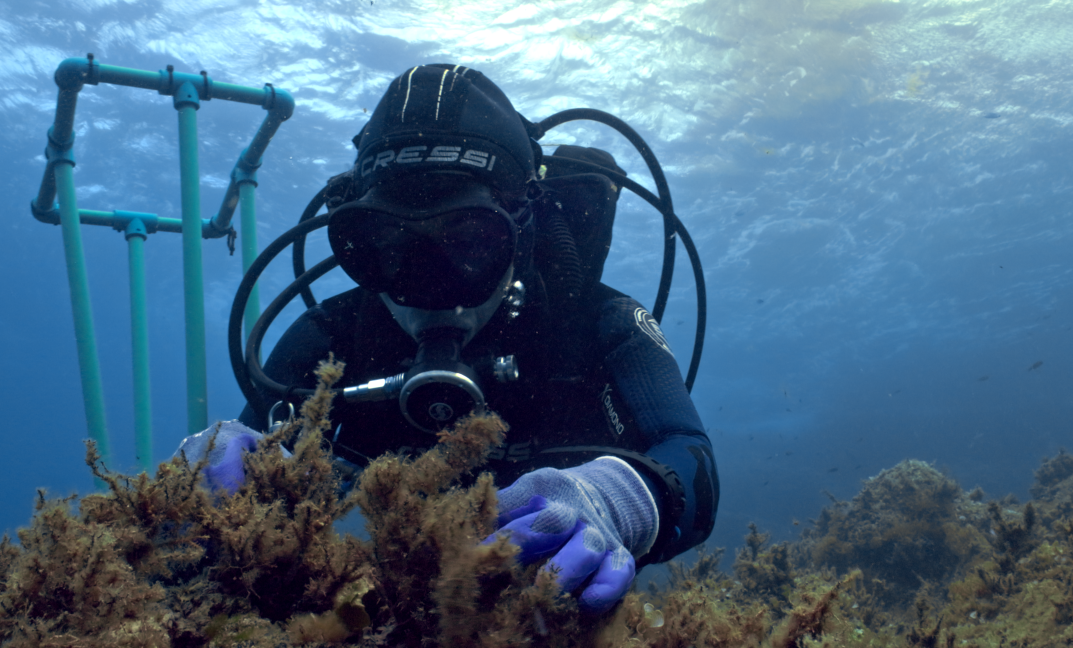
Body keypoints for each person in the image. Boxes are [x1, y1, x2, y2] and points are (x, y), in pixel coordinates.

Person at [177, 63, 718, 614]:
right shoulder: (332, 336)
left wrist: (625, 498)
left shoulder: (601, 323)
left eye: (470, 241)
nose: (428, 290)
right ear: (352, 241)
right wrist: (214, 472)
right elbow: (245, 458)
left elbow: (688, 449)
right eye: (387, 245)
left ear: (520, 233)